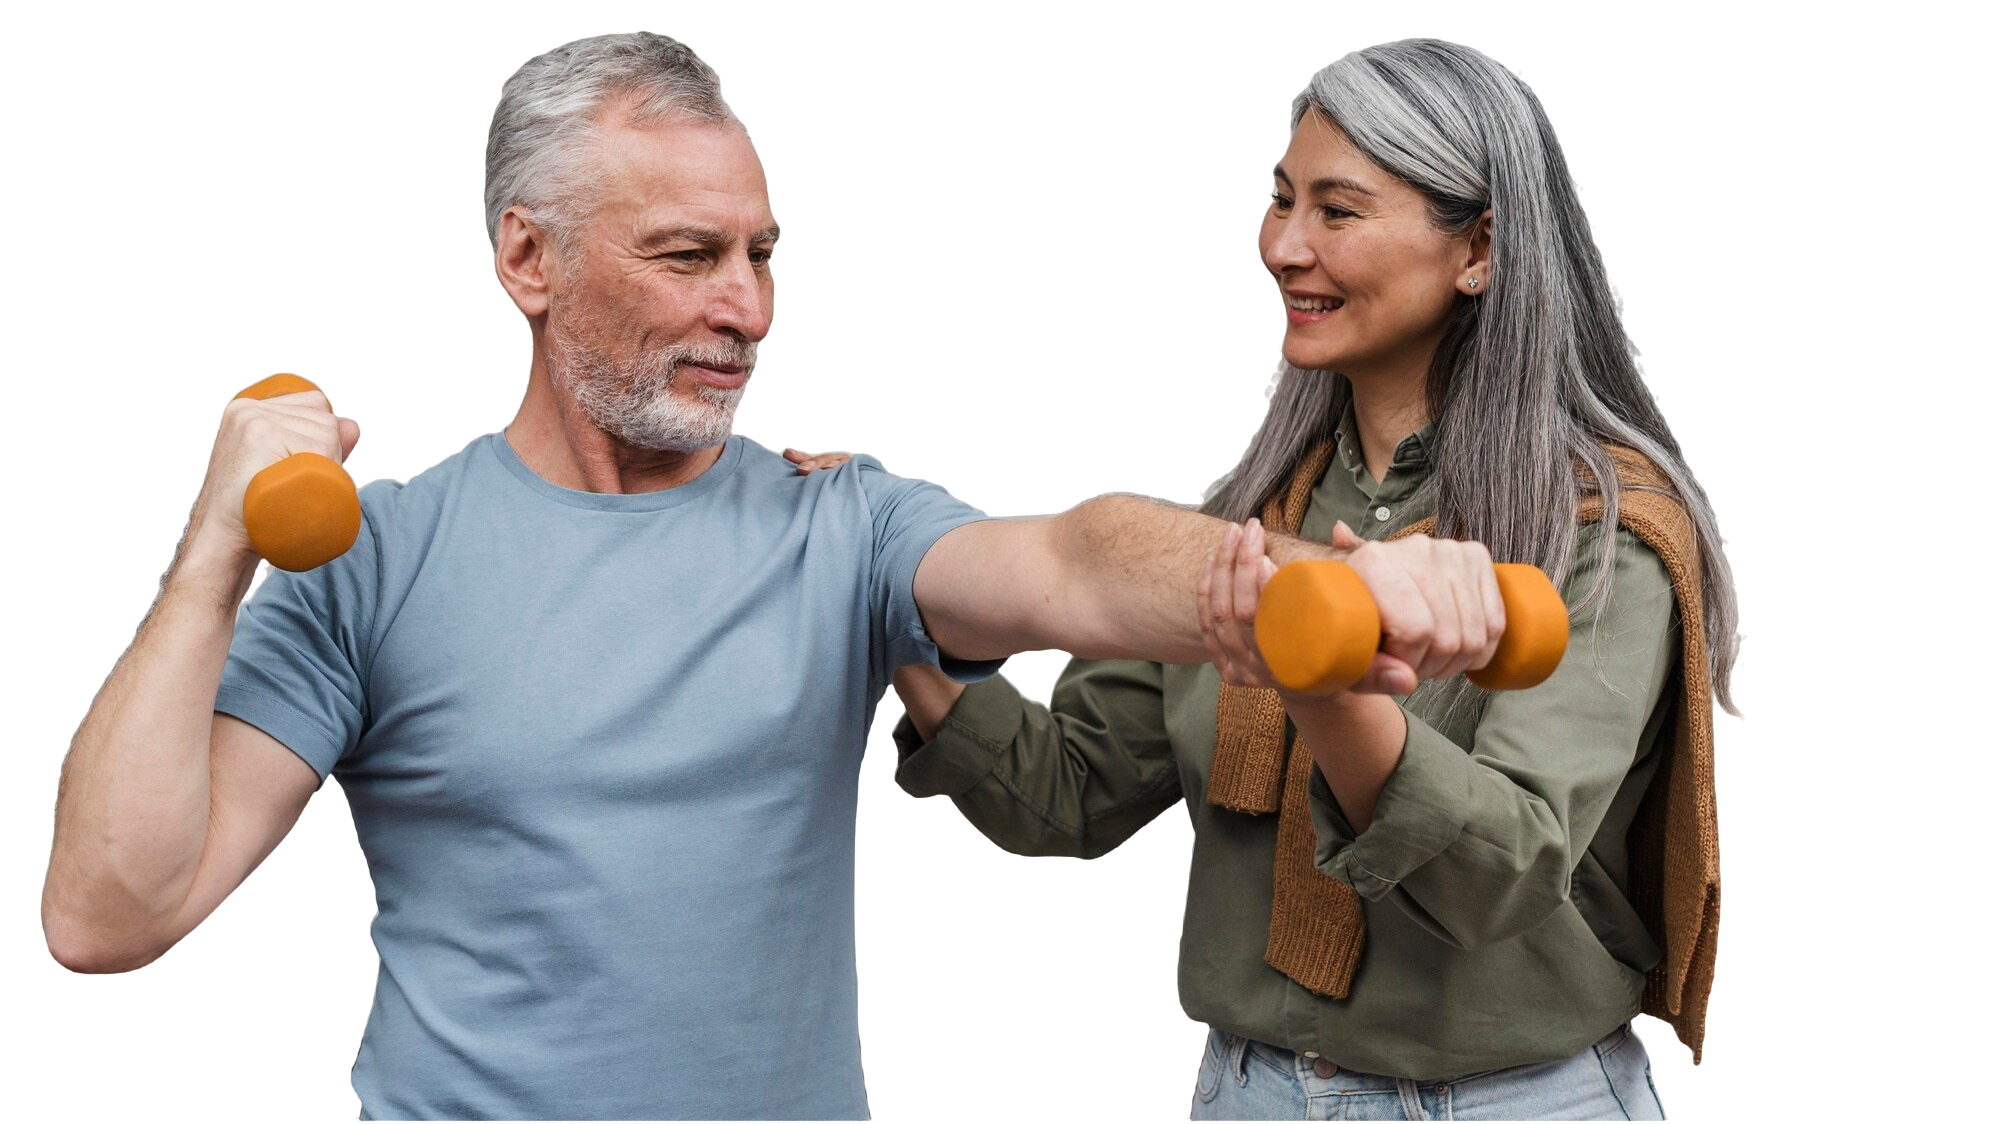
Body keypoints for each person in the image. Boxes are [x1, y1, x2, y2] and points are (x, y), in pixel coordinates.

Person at [31, 30, 1509, 1121]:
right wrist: (203, 562)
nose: (747, 309)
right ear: (524, 260)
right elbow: (105, 925)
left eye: (767, 253)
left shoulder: (840, 515)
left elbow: (1071, 551)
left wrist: (1294, 583)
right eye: (687, 255)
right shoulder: (377, 553)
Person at [871, 36, 1740, 1123]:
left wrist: (1326, 683)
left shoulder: (1599, 531)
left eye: (1337, 210)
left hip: (1513, 1105)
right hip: (1245, 1092)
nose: (1282, 246)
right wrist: (881, 588)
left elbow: (1498, 874)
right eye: (1279, 200)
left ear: (1476, 248)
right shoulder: (1249, 518)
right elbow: (1069, 793)